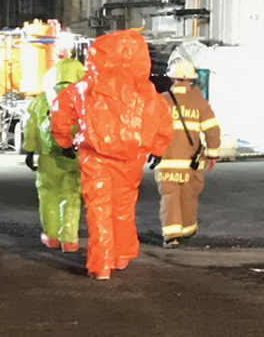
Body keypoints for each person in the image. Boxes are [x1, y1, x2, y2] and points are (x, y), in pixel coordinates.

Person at [50, 30, 173, 280]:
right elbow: (163, 121)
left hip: (95, 157)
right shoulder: (147, 92)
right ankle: (121, 254)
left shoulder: (84, 88)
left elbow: (60, 110)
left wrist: (63, 141)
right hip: (131, 158)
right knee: (124, 207)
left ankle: (101, 264)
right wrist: (158, 150)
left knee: (99, 209)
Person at [155, 59, 221, 248]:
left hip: (167, 161)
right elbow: (212, 130)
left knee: (170, 197)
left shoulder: (162, 101)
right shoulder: (199, 103)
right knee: (188, 196)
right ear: (191, 79)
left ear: (172, 77)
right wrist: (213, 154)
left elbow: (150, 129)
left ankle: (172, 235)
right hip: (190, 162)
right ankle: (188, 228)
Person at [23, 58, 86, 252]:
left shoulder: (40, 102)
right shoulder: (83, 101)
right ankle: (69, 240)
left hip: (47, 159)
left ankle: (51, 237)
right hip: (74, 159)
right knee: (71, 198)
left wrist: (29, 150)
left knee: (48, 195)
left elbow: (30, 128)